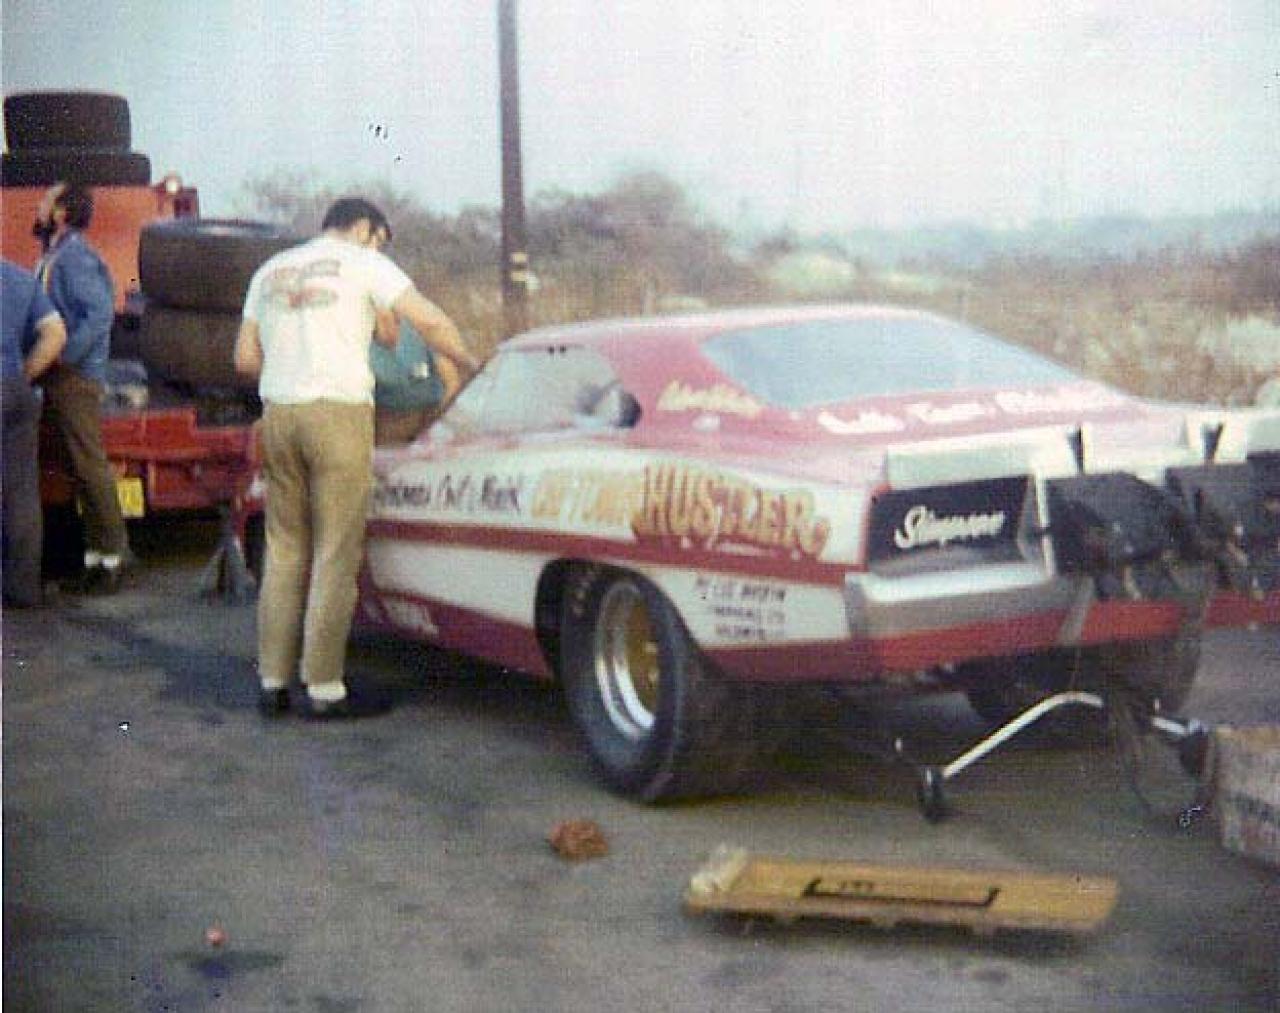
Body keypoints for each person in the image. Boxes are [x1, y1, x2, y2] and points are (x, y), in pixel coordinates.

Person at [234, 197, 481, 720]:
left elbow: (245, 359)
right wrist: (470, 360)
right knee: (335, 551)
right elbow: (429, 323)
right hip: (338, 414)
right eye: (379, 239)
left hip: (279, 414)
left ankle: (272, 682)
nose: (379, 249)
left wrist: (294, 363)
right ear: (366, 228)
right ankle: (324, 687)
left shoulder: (270, 270)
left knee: (284, 549)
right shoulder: (366, 264)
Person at [33, 182, 134, 594]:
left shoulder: (75, 257)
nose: (39, 206)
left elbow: (98, 314)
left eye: (47, 201)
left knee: (90, 467)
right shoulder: (56, 254)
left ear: (61, 213)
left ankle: (114, 558)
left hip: (74, 378)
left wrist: (65, 355)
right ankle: (95, 559)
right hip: (60, 377)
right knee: (77, 468)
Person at [2, 260, 68, 608]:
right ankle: (23, 588)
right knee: (21, 492)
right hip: (16, 391)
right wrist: (25, 375)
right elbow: (56, 334)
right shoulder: (19, 278)